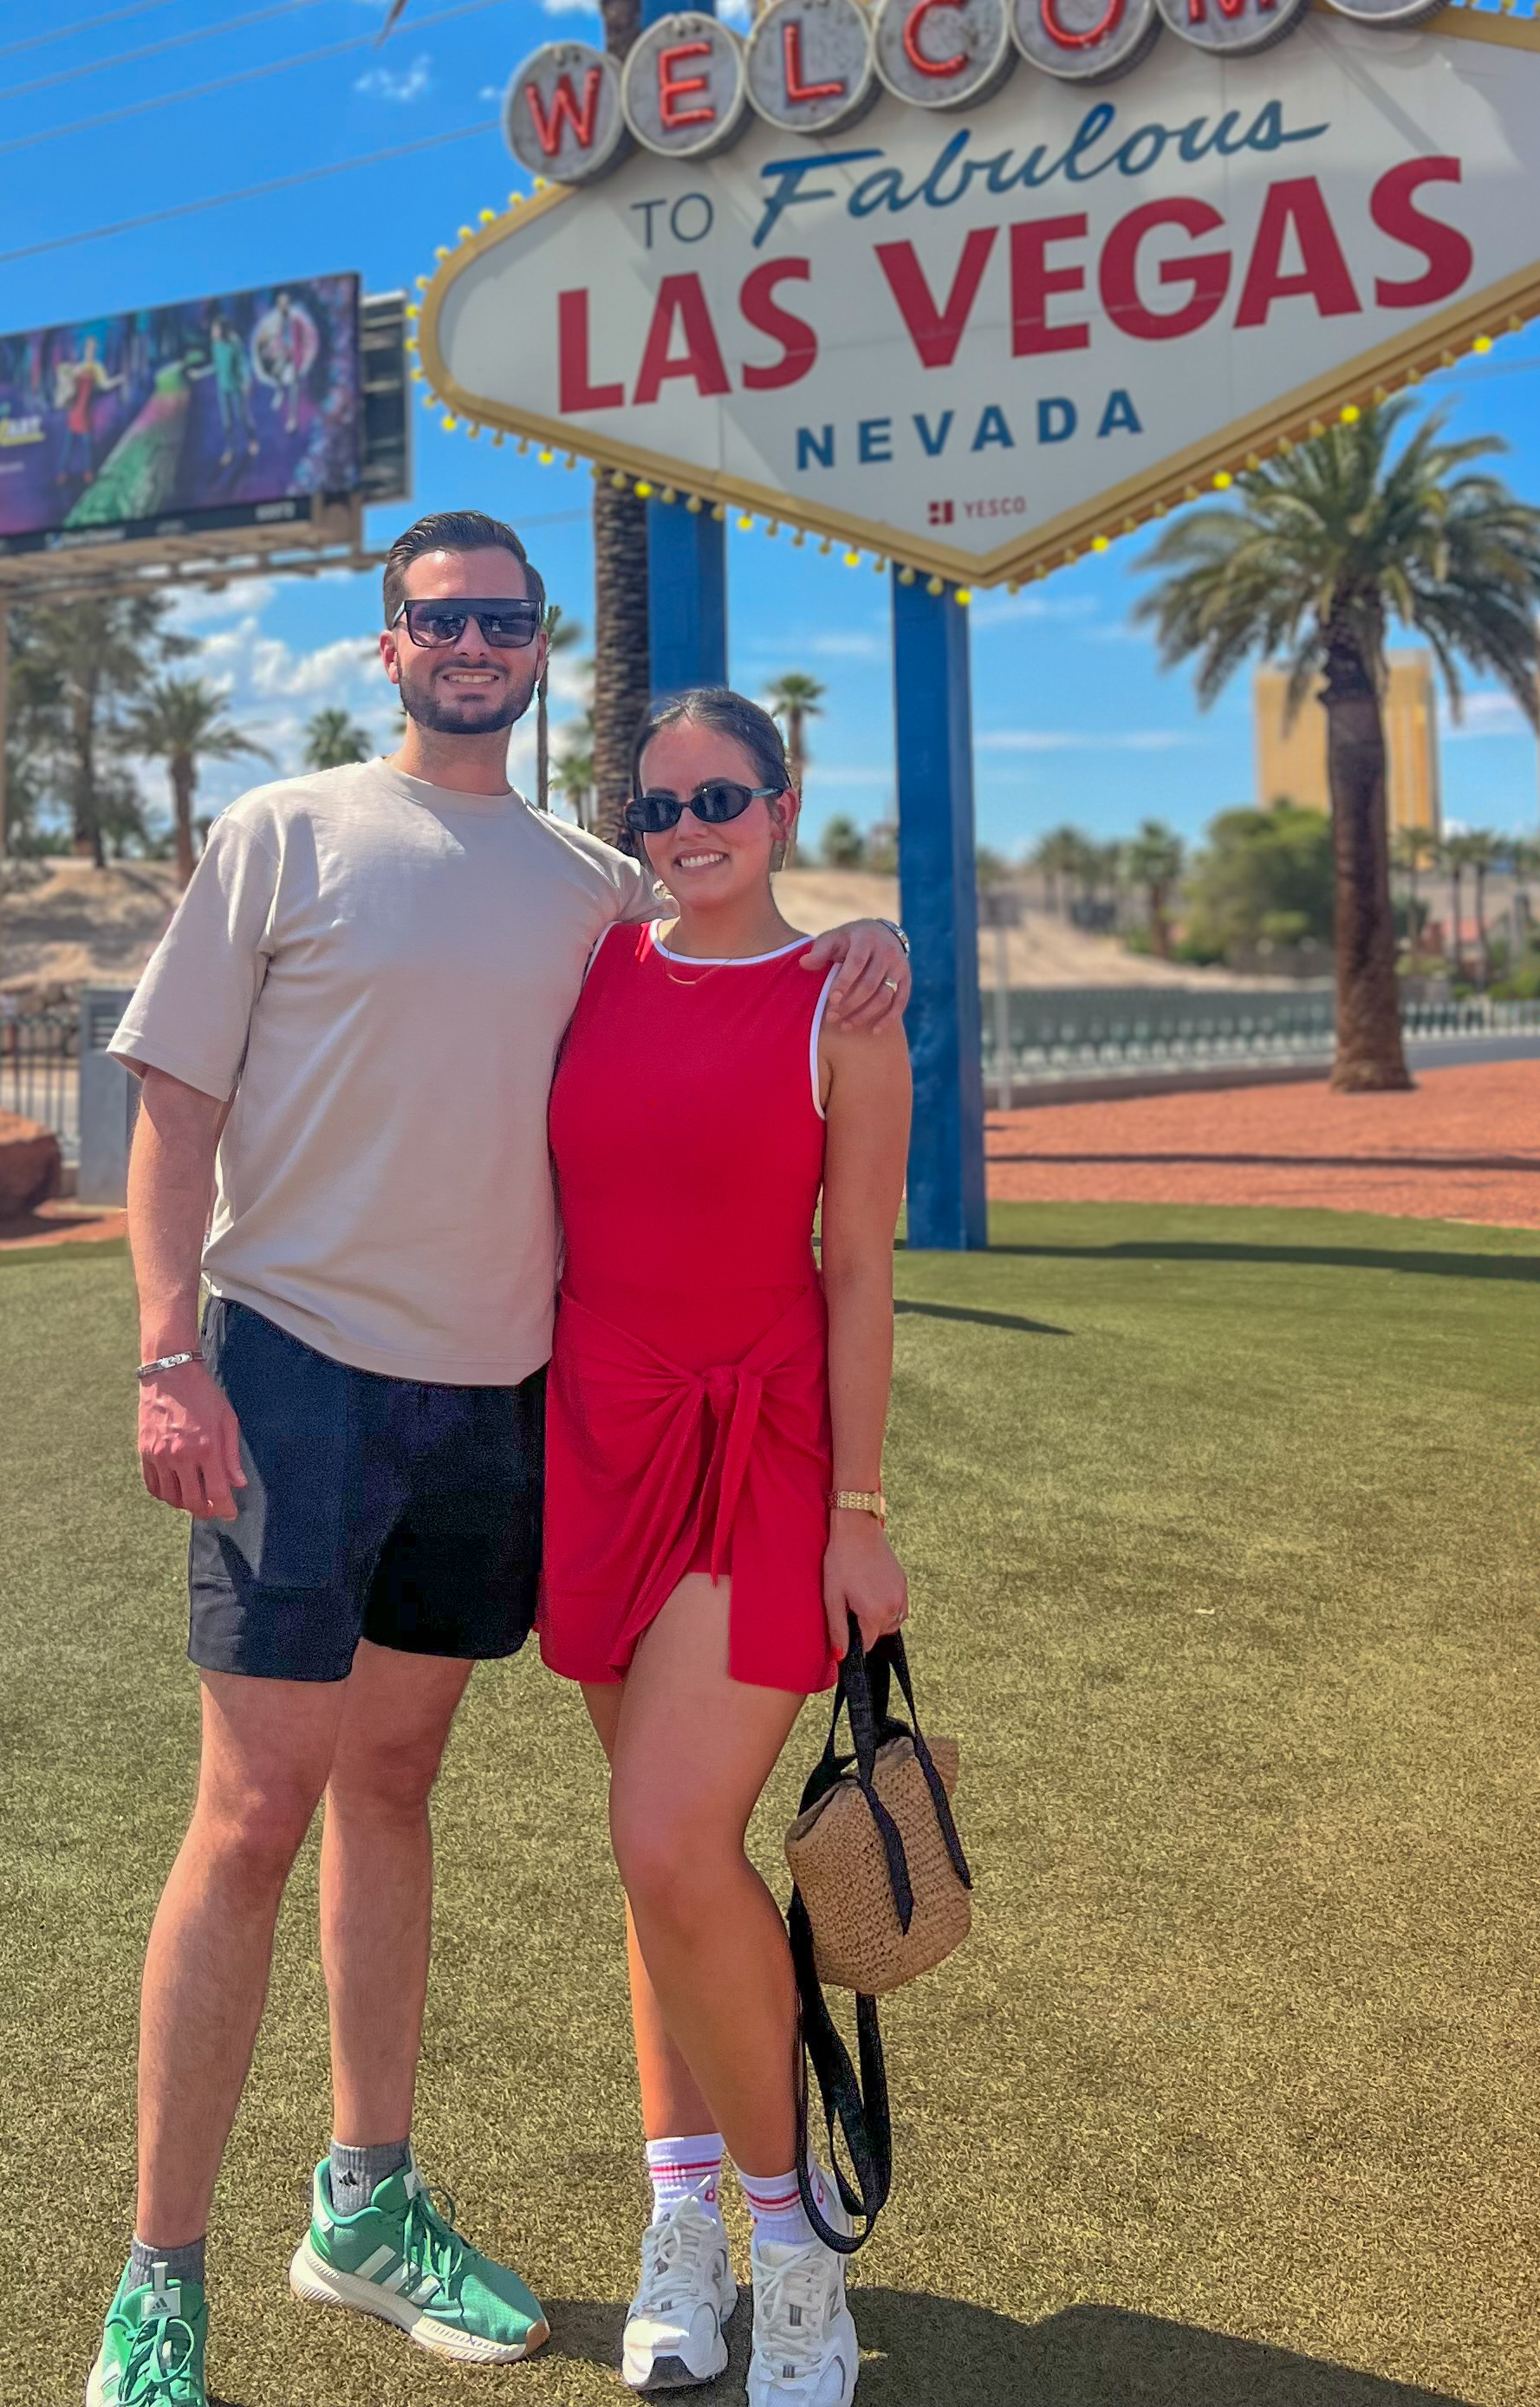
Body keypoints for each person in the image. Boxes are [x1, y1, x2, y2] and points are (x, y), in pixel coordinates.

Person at [83, 512, 913, 2407]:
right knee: (253, 1815)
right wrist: (165, 1353)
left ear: (541, 649)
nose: (472, 644)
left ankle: (364, 2207)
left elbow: (739, 960)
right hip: (291, 1376)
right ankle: (158, 2282)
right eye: (438, 619)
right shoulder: (284, 830)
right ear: (388, 644)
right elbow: (173, 1110)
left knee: (396, 1788)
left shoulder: (589, 888)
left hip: (498, 1409)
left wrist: (863, 935)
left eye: (504, 621)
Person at [542, 686, 911, 2407]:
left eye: (721, 799)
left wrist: (862, 1515)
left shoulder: (845, 1004)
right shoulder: (591, 961)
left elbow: (862, 1274)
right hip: (597, 1442)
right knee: (662, 1859)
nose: (688, 830)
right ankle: (679, 2218)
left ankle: (793, 2244)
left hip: (762, 1450)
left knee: (670, 1834)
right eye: (659, 805)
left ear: (783, 805)